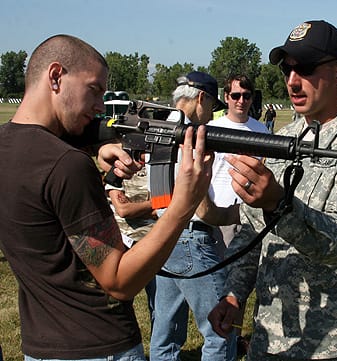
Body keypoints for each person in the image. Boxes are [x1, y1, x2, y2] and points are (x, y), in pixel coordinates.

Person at [0, 34, 213, 361]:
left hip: (41, 345)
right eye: (94, 90)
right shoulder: (66, 165)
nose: (101, 107)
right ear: (56, 77)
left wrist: (96, 146)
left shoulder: (8, 144)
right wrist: (181, 208)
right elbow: (118, 281)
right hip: (99, 343)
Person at [205, 20, 337, 361]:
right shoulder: (281, 141)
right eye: (287, 69)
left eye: (305, 69)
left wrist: (278, 202)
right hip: (271, 339)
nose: (293, 81)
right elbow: (251, 231)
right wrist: (234, 294)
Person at [149, 71, 237, 361]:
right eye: (212, 106)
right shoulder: (190, 138)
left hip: (163, 238)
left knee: (165, 333)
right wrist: (236, 213)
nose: (212, 114)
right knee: (221, 329)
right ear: (201, 98)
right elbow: (202, 210)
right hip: (191, 240)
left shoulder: (160, 127)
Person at [207, 74, 268, 356]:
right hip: (216, 215)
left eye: (246, 95)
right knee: (216, 285)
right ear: (226, 97)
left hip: (249, 216)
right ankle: (219, 338)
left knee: (239, 282)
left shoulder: (262, 131)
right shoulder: (212, 129)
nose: (241, 101)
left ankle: (235, 341)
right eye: (235, 96)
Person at [106, 168, 157, 331]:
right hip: (125, 244)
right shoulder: (118, 171)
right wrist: (158, 203)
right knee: (118, 302)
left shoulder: (159, 167)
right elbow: (124, 210)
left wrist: (144, 209)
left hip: (154, 244)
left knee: (159, 303)